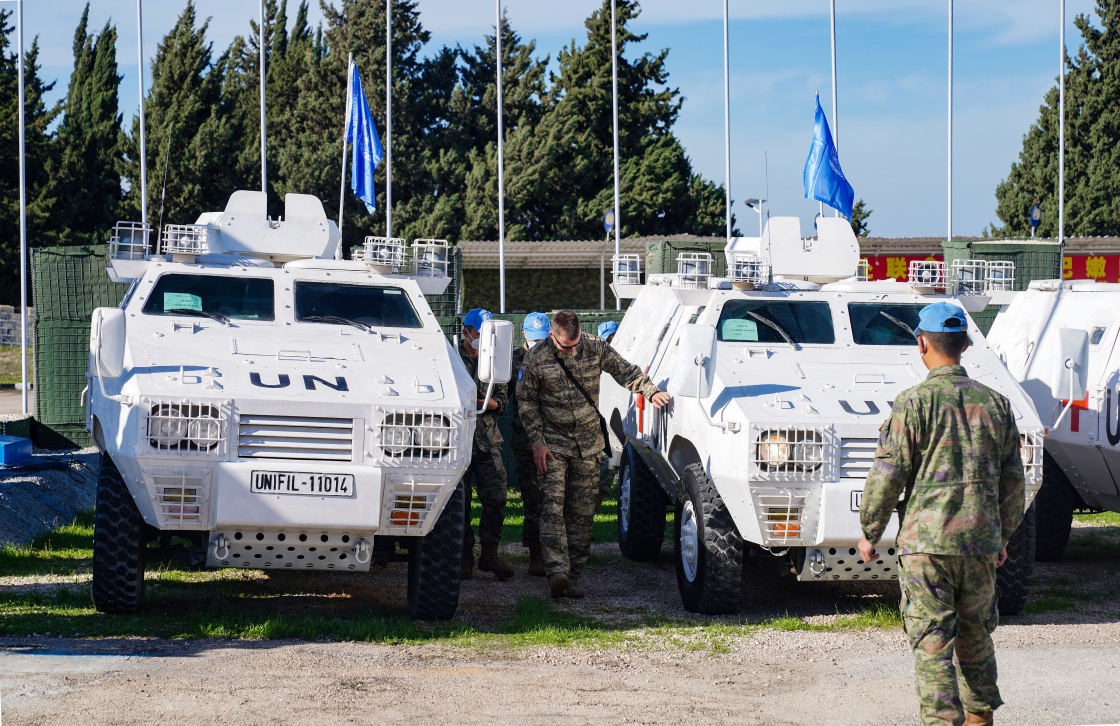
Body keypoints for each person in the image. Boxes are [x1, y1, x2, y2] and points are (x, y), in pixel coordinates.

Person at [858, 302, 1025, 726]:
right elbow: (1013, 485)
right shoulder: (998, 405)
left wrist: (870, 532)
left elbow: (887, 475)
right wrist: (1001, 538)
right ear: (966, 344)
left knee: (933, 642)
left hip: (926, 547)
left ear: (921, 344)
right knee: (976, 638)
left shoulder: (912, 404)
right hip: (980, 545)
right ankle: (980, 720)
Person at [518, 310, 670, 599]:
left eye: (575, 344)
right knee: (552, 506)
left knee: (582, 511)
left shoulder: (595, 347)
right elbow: (526, 403)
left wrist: (650, 391)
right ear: (552, 335)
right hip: (552, 443)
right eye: (566, 346)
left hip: (588, 443)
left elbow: (626, 371)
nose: (572, 350)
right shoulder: (537, 358)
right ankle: (556, 572)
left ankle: (572, 576)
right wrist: (537, 442)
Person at [459, 308, 515, 581]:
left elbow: (503, 399)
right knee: (460, 501)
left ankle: (489, 555)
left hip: (486, 441)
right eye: (479, 333)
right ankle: (463, 555)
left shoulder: (494, 360)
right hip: (457, 441)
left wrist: (491, 403)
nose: (482, 339)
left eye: (486, 334)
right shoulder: (451, 358)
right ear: (466, 331)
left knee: (496, 497)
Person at [510, 312, 551, 576]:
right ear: (523, 334)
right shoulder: (512, 360)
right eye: (533, 339)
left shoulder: (558, 357)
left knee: (555, 500)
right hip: (526, 439)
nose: (537, 344)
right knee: (533, 499)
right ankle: (536, 554)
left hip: (554, 439)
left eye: (542, 339)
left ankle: (556, 553)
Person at [595, 319, 620, 511]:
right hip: (606, 424)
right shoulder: (599, 359)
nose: (609, 342)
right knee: (605, 472)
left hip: (623, 423)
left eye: (611, 338)